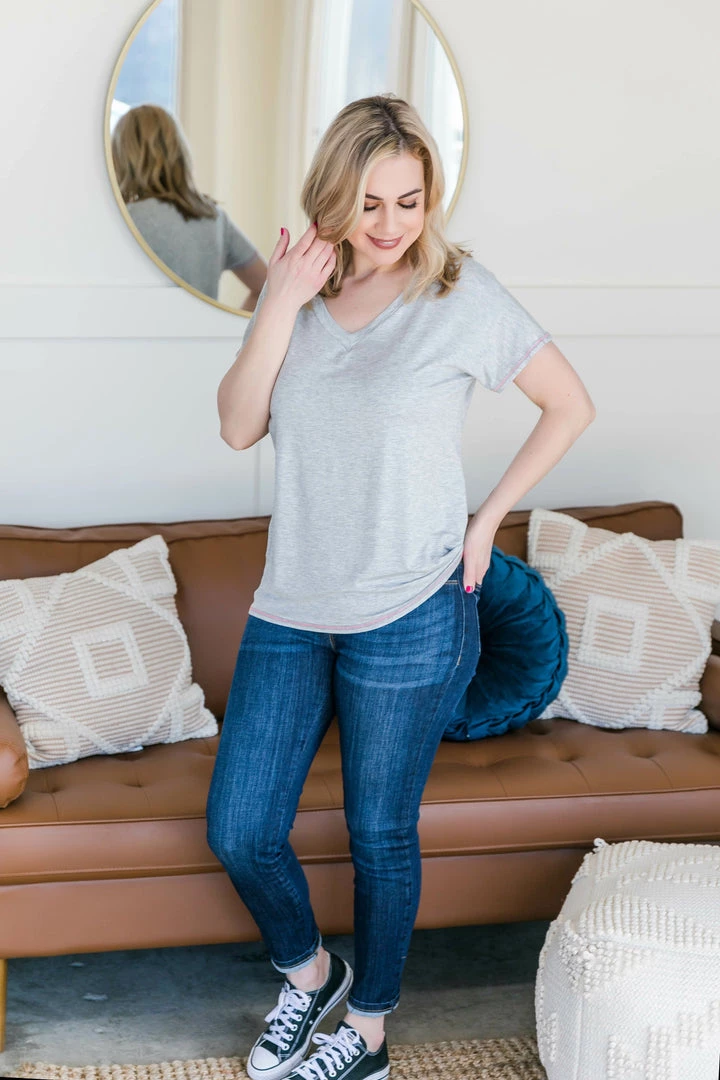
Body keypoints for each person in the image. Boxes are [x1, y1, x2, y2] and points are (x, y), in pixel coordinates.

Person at [207, 93, 596, 1080]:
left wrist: (488, 519)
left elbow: (569, 404)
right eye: (370, 203)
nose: (389, 226)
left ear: (432, 199)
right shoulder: (300, 294)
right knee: (242, 829)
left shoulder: (460, 294)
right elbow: (239, 426)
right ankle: (309, 975)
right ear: (333, 197)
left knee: (379, 832)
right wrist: (280, 303)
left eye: (410, 202)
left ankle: (369, 1034)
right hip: (291, 608)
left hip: (414, 611)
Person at [111, 103, 266, 305]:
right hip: (203, 327)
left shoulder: (124, 220)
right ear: (179, 150)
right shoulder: (214, 217)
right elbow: (265, 286)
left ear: (122, 156)